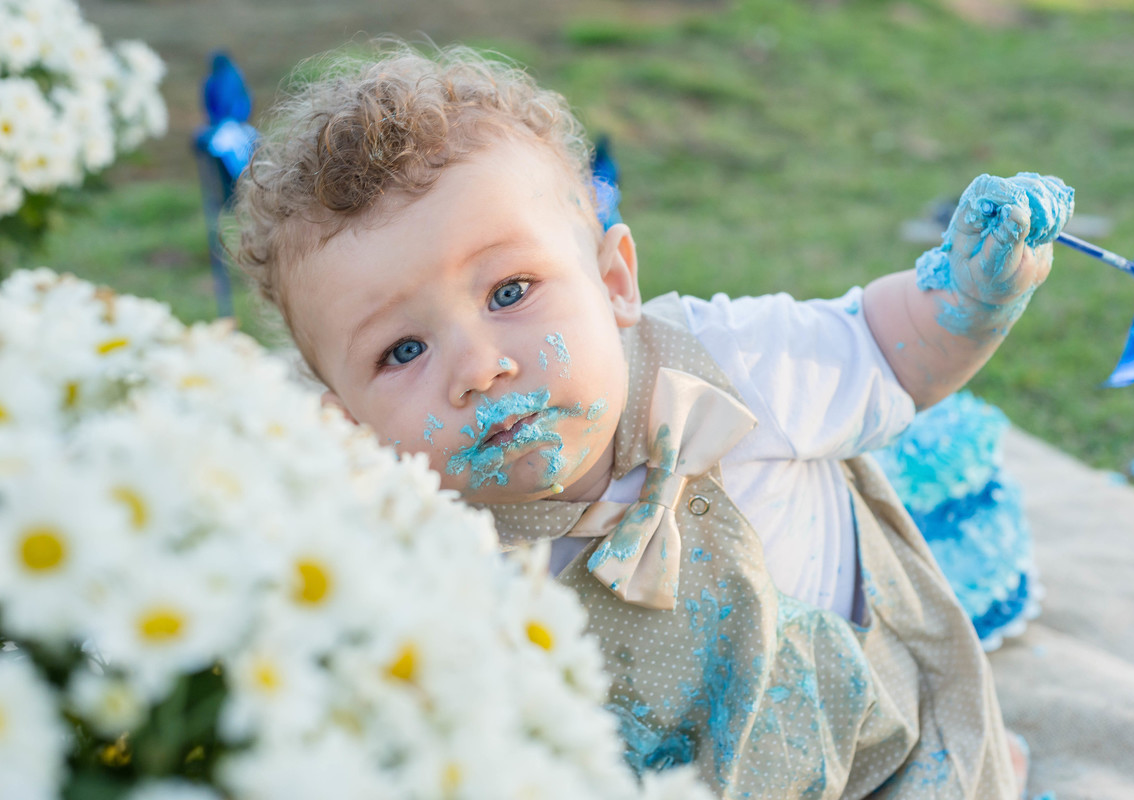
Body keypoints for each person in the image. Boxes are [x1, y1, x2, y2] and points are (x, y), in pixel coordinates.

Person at [232, 43, 1072, 799]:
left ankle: (994, 756)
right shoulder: (411, 539)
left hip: (870, 732)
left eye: (510, 293)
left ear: (613, 282)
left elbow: (882, 352)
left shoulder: (729, 361)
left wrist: (970, 301)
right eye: (403, 350)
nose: (478, 367)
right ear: (347, 427)